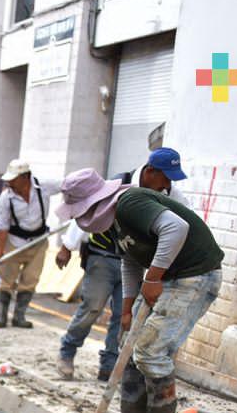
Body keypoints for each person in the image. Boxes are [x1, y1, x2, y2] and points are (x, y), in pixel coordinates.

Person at [56, 166, 224, 413]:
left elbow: (176, 227)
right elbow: (130, 261)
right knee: (130, 344)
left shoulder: (130, 203)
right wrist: (126, 309)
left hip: (196, 276)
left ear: (93, 204)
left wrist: (154, 276)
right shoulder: (116, 221)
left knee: (151, 350)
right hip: (172, 278)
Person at [51, 149, 186, 380]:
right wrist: (67, 246)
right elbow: (86, 213)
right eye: (165, 177)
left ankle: (109, 364)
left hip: (134, 262)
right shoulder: (117, 184)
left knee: (122, 316)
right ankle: (67, 351)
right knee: (92, 307)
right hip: (102, 256)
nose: (167, 184)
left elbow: (185, 220)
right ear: (150, 171)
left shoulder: (171, 194)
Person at [0, 158, 50, 329]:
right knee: (7, 279)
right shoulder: (6, 197)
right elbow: (1, 225)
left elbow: (67, 185)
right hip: (14, 242)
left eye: (13, 179)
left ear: (25, 177)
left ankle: (19, 316)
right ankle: (1, 316)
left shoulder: (43, 187)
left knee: (30, 280)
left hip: (38, 242)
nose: (9, 183)